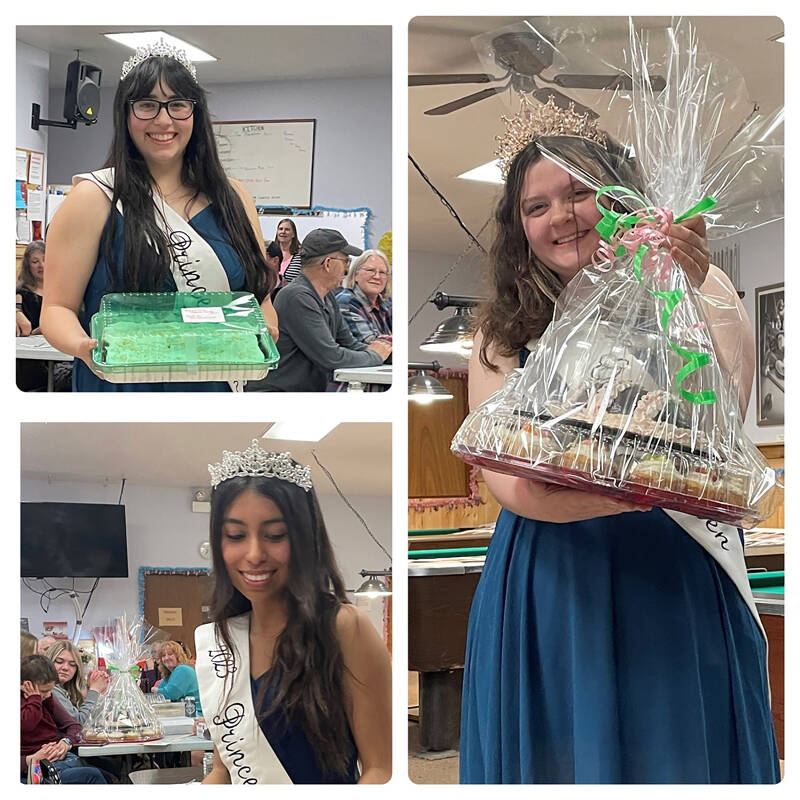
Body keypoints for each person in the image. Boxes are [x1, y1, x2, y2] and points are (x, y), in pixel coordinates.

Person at [459, 126, 778, 783]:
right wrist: (630, 488)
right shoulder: (501, 328)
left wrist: (684, 291)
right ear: (519, 227)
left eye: (580, 194)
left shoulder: (701, 286)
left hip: (673, 564)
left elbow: (718, 422)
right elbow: (507, 479)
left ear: (623, 200)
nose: (561, 216)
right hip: (552, 569)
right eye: (535, 206)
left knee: (678, 747)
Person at [41, 38, 278, 392]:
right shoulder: (93, 197)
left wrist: (265, 330)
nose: (164, 120)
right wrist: (83, 347)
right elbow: (57, 308)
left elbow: (259, 300)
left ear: (194, 114)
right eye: (147, 105)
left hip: (212, 387)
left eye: (177, 105)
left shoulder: (234, 197)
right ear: (125, 113)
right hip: (123, 386)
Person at [195, 441, 391, 784]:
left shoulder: (344, 628)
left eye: (275, 535)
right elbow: (223, 770)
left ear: (304, 539)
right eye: (236, 535)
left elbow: (382, 770)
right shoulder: (220, 641)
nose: (254, 554)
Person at [252, 229, 391, 392]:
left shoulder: (328, 297)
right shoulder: (297, 297)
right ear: (328, 263)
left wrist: (386, 353)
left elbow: (348, 343)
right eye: (345, 261)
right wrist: (375, 355)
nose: (347, 269)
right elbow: (332, 357)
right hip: (280, 396)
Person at [20, 655, 107, 783]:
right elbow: (27, 725)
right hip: (32, 766)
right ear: (28, 684)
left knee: (108, 773)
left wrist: (65, 743)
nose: (48, 695)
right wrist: (31, 759)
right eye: (44, 691)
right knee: (93, 775)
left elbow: (75, 726)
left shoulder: (46, 698)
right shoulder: (31, 702)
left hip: (56, 758)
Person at [45, 641, 109, 724]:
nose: (65, 668)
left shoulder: (66, 689)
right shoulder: (51, 691)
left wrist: (93, 690)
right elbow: (78, 723)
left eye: (72, 664)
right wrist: (94, 690)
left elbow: (94, 717)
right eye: (59, 661)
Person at [154, 640, 201, 712]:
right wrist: (158, 691)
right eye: (163, 656)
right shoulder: (170, 674)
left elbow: (170, 694)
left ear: (178, 656)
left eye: (170, 654)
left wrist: (155, 690)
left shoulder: (182, 669)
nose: (166, 658)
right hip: (184, 713)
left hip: (194, 714)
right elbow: (159, 695)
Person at [274, 218, 302, 285]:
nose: (283, 232)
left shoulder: (301, 255)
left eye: (287, 230)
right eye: (280, 229)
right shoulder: (271, 253)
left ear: (293, 234)